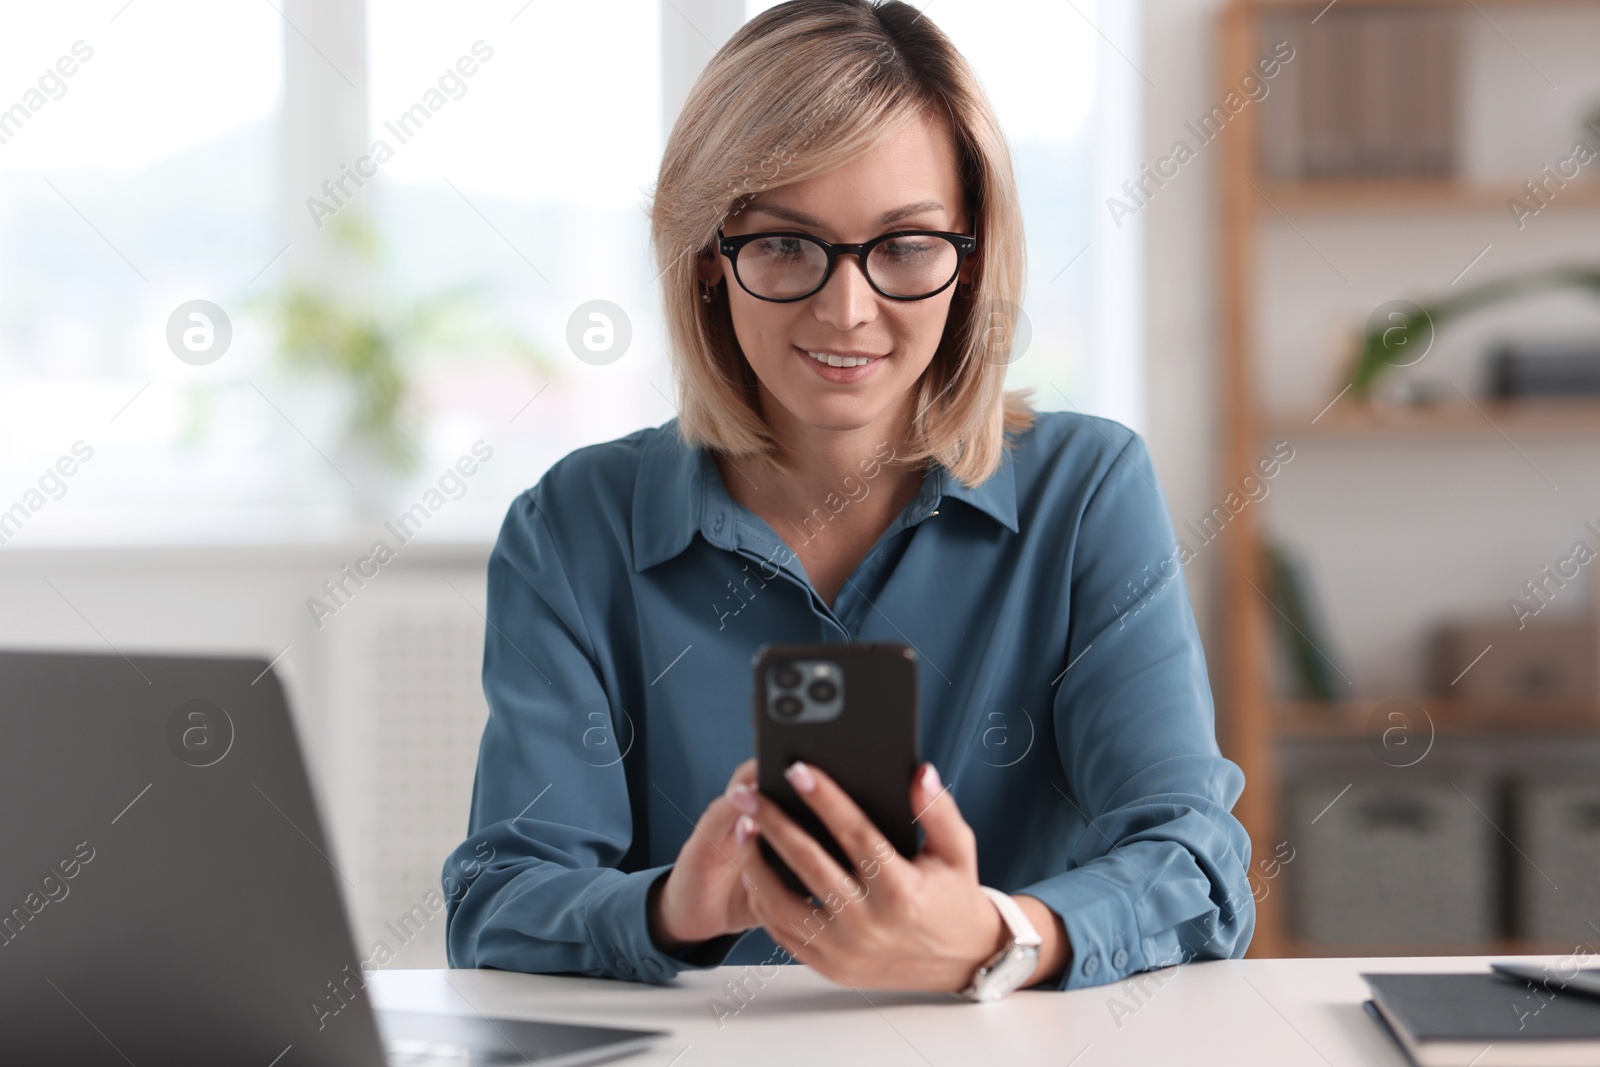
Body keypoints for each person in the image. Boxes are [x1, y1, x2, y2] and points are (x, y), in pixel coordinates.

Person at [442, 0, 1253, 996]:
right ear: (709, 260)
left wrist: (995, 933)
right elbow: (499, 905)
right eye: (786, 244)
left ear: (971, 258)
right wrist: (672, 909)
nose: (847, 308)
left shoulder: (1084, 493)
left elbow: (1197, 862)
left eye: (906, 246)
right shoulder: (572, 527)